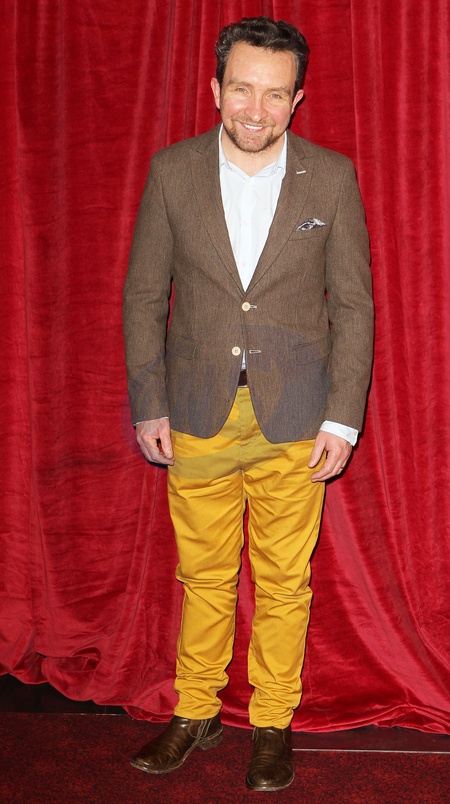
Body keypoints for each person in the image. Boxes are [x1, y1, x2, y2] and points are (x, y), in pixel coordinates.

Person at [123, 16, 373, 792]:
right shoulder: (172, 172)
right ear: (215, 90)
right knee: (202, 577)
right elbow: (143, 296)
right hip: (196, 411)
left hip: (296, 418)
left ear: (296, 100)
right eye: (241, 89)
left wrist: (343, 417)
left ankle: (272, 724)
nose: (255, 110)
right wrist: (149, 402)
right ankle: (196, 712)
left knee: (285, 584)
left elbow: (353, 304)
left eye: (273, 94)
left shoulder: (331, 177)